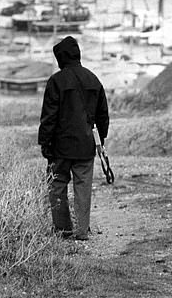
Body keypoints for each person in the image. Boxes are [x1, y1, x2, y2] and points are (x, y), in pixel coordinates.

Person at [38, 36, 110, 241]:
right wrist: (100, 141)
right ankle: (81, 231)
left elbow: (48, 117)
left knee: (57, 186)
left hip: (60, 147)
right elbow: (103, 116)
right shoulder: (93, 79)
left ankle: (63, 229)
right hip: (86, 146)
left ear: (60, 58)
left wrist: (45, 143)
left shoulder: (56, 81)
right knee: (83, 187)